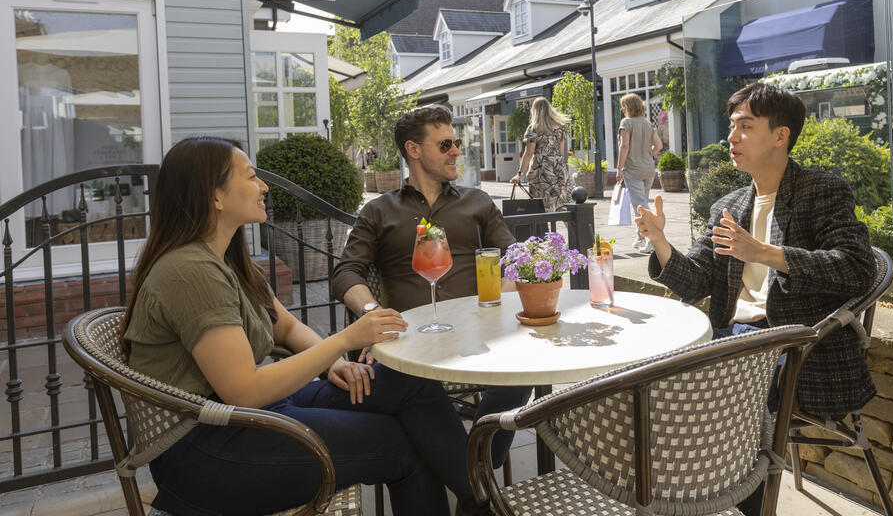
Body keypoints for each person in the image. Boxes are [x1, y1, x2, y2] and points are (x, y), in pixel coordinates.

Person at [121, 137, 490, 516]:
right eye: (250, 177)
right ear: (214, 196)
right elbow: (243, 391)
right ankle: (483, 502)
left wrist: (336, 364)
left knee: (409, 382)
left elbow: (285, 328)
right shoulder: (190, 271)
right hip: (208, 448)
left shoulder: (225, 260)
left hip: (254, 413)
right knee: (400, 445)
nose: (263, 186)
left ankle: (478, 499)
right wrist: (345, 340)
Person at [635, 82, 876, 417]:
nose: (732, 137)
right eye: (732, 126)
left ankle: (722, 463)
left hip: (793, 348)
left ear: (780, 136)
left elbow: (856, 269)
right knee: (643, 381)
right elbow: (695, 283)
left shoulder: (822, 192)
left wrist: (764, 253)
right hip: (728, 339)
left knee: (680, 406)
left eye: (746, 126)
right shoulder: (728, 207)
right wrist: (659, 240)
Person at [332, 104, 532, 470]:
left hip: (477, 335)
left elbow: (515, 256)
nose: (456, 151)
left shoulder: (477, 202)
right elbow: (346, 272)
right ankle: (477, 478)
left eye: (455, 143)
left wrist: (499, 301)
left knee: (521, 372)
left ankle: (475, 467)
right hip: (407, 343)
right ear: (414, 150)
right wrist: (373, 315)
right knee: (410, 391)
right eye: (444, 145)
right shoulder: (379, 211)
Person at [615, 93, 662, 252]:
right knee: (643, 204)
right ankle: (640, 237)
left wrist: (619, 167)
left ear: (628, 107)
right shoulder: (647, 123)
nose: (621, 108)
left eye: (623, 105)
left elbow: (624, 146)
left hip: (633, 170)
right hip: (648, 169)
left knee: (640, 207)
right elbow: (659, 145)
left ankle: (652, 240)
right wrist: (647, 154)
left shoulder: (626, 122)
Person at [510, 97, 572, 212]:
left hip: (541, 172)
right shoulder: (559, 128)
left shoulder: (533, 128)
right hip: (558, 170)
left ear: (534, 111)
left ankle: (544, 230)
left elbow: (528, 153)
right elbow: (561, 152)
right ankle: (574, 230)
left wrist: (519, 174)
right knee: (563, 205)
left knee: (541, 209)